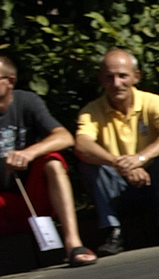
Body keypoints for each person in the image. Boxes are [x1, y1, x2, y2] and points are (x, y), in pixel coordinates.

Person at [74, 49, 159, 254]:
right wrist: (120, 163)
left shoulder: (153, 101)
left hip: (154, 180)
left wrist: (140, 158)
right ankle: (112, 231)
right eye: (109, 77)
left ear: (136, 76)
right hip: (117, 184)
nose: (116, 83)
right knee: (89, 165)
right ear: (101, 79)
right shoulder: (91, 111)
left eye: (122, 76)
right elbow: (82, 145)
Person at [0, 53, 96, 265]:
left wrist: (29, 153)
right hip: (2, 203)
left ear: (10, 82)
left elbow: (65, 137)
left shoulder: (26, 101)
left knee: (53, 161)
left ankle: (73, 243)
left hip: (32, 198)